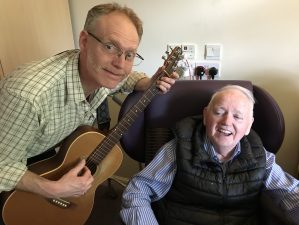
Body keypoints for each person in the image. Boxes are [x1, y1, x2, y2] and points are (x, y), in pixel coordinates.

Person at [0, 3, 178, 200]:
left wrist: (147, 83)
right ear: (84, 41)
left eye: (129, 55)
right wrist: (55, 189)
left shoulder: (101, 74)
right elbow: (2, 167)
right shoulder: (29, 96)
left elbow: (125, 78)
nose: (120, 64)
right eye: (110, 47)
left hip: (45, 156)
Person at [121, 85, 299, 225]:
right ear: (206, 116)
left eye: (238, 116)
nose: (227, 121)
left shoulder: (262, 157)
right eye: (219, 112)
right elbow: (137, 190)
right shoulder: (177, 150)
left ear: (248, 126)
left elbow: (291, 193)